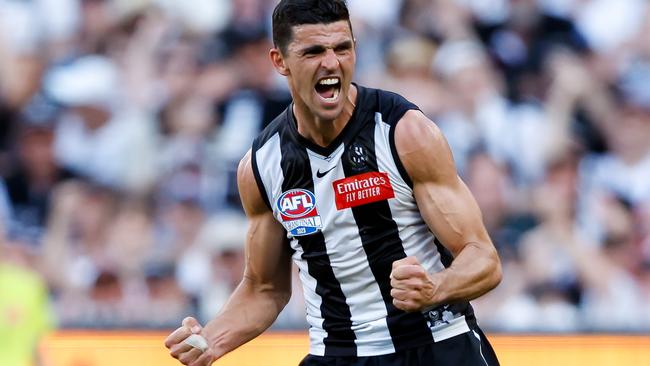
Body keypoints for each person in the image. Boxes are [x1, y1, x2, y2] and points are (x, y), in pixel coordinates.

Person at [164, 1, 502, 365]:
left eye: (342, 48)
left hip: (437, 346)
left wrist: (437, 287)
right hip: (337, 353)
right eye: (313, 51)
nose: (331, 63)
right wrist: (212, 339)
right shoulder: (262, 165)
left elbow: (484, 259)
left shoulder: (405, 133)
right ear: (280, 62)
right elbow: (264, 288)